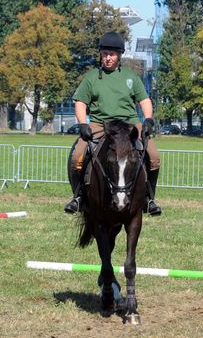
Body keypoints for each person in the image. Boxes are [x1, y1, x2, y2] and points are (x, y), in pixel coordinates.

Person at [64, 31, 162, 216]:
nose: (108, 58)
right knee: (77, 156)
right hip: (101, 125)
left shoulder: (131, 77)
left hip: (130, 125)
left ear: (119, 56)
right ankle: (78, 197)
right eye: (105, 54)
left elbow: (145, 100)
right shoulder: (92, 77)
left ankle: (149, 199)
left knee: (154, 156)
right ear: (100, 54)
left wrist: (148, 119)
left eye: (112, 54)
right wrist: (83, 123)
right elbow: (80, 102)